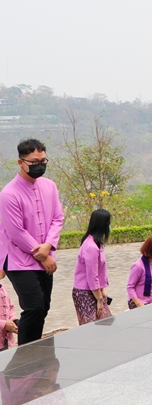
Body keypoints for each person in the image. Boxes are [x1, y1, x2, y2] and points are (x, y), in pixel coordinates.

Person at [0, 139, 65, 345]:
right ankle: (24, 357)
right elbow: (16, 232)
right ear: (21, 162)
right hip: (18, 259)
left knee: (43, 307)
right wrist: (43, 255)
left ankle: (35, 352)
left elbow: (58, 218)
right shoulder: (9, 194)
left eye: (44, 160)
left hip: (45, 255)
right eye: (35, 161)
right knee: (34, 306)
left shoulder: (50, 186)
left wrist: (48, 246)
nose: (40, 165)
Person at [72, 209, 112, 325]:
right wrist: (99, 299)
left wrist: (102, 290)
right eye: (108, 223)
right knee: (91, 327)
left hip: (95, 291)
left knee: (105, 324)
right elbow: (92, 276)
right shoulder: (91, 247)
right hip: (85, 292)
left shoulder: (96, 244)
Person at [127, 236, 152, 309]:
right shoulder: (138, 266)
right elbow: (130, 287)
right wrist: (139, 304)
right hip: (141, 303)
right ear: (150, 250)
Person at [0, 270, 16, 350]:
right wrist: (4, 324)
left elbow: (10, 307)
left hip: (3, 340)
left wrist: (13, 320)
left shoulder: (3, 288)